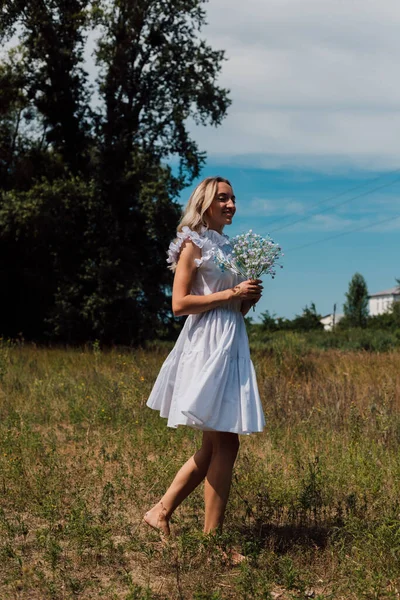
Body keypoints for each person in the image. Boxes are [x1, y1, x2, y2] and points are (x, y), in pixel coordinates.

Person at [144, 176, 265, 541]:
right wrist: (231, 292)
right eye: (222, 199)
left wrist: (247, 299)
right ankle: (213, 542)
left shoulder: (229, 247)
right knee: (226, 443)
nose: (230, 205)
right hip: (205, 346)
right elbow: (179, 305)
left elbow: (233, 308)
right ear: (206, 203)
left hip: (230, 341)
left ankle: (159, 511)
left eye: (232, 199)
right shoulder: (192, 243)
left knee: (215, 444)